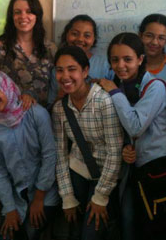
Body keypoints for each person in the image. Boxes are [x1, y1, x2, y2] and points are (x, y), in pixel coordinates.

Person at [99, 32, 166, 240]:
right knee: (129, 224)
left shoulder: (155, 87)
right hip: (132, 170)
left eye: (128, 59)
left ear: (141, 59)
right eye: (115, 60)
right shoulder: (117, 85)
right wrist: (126, 147)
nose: (121, 65)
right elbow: (120, 129)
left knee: (158, 228)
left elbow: (135, 126)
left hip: (159, 170)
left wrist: (115, 93)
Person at [52, 46, 123, 240]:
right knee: (73, 233)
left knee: (90, 234)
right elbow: (59, 153)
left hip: (106, 177)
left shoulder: (103, 101)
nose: (65, 76)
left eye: (72, 69)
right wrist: (67, 196)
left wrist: (100, 197)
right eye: (59, 70)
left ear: (85, 71)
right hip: (77, 174)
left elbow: (115, 152)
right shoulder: (60, 109)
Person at [0, 70, 59, 240]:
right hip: (16, 198)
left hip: (44, 194)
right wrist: (9, 208)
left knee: (30, 233)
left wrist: (39, 198)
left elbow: (50, 155)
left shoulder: (35, 113)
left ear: (6, 87)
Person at [0, 0, 56, 108]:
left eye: (29, 12)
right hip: (8, 120)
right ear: (11, 17)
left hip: (42, 120)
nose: (23, 16)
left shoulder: (50, 49)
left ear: (37, 15)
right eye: (17, 12)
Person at [48, 14, 114, 105]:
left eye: (87, 36)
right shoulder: (58, 69)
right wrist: (59, 97)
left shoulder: (105, 64)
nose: (80, 39)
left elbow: (116, 97)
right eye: (74, 34)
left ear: (94, 39)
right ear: (67, 34)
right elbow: (50, 107)